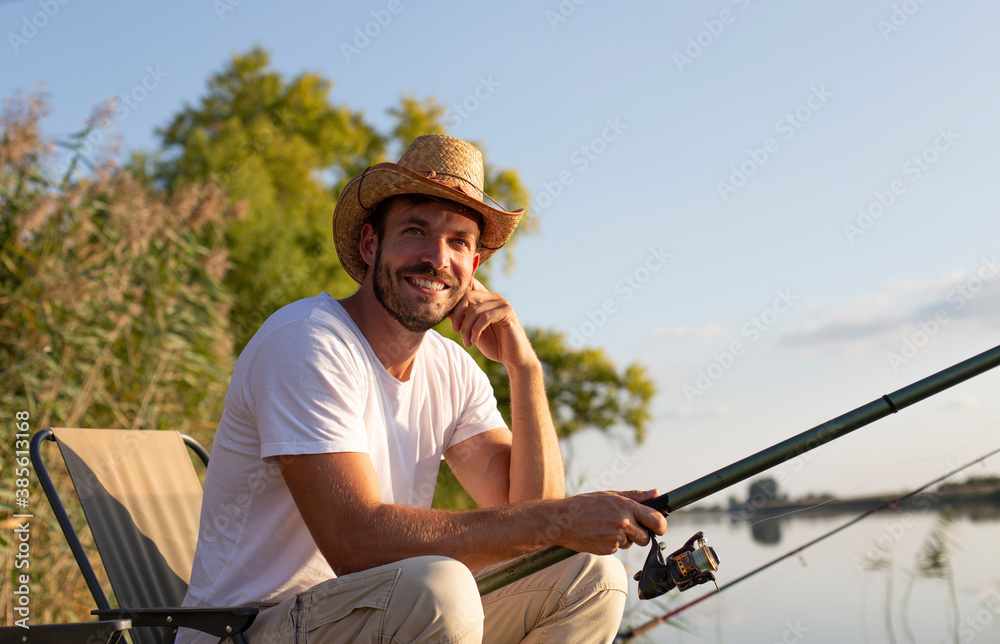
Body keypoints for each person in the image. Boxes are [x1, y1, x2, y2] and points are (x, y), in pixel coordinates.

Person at [178, 134, 667, 644]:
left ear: (474, 269)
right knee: (440, 588)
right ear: (371, 245)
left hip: (382, 615)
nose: (437, 258)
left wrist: (525, 370)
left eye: (459, 241)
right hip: (248, 630)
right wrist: (561, 518)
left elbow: (532, 520)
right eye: (416, 230)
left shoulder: (451, 368)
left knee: (588, 576)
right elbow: (356, 541)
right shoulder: (306, 342)